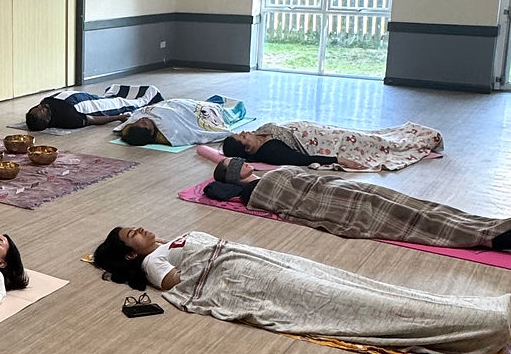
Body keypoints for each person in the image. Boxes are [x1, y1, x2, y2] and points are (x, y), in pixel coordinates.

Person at [92, 226, 511, 354]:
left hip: (258, 261)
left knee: (352, 285)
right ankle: (482, 324)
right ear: (131, 254)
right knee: (347, 301)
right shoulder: (153, 262)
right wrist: (201, 263)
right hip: (243, 278)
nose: (141, 229)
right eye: (133, 235)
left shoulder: (166, 244)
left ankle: (476, 311)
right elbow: (173, 284)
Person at [205, 158, 511, 250]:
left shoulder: (269, 173)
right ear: (232, 178)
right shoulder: (251, 193)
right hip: (331, 203)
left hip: (337, 188)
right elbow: (212, 189)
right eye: (234, 165)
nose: (242, 163)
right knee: (403, 216)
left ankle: (489, 225)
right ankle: (489, 237)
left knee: (412, 203)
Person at [221, 121, 443, 170]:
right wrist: (338, 159)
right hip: (327, 142)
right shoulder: (270, 152)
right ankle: (423, 140)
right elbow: (302, 159)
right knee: (371, 142)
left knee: (365, 134)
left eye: (241, 133)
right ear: (248, 149)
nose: (245, 132)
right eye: (243, 138)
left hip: (319, 130)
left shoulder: (259, 133)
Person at [115, 95, 245, 147]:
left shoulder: (135, 122)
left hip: (179, 105)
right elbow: (191, 131)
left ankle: (213, 102)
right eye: (144, 123)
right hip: (195, 113)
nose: (143, 119)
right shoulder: (169, 131)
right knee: (223, 110)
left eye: (138, 121)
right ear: (151, 131)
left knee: (208, 102)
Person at [24, 84, 163, 132]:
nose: (41, 106)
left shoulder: (45, 102)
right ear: (47, 119)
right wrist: (118, 117)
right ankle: (151, 97)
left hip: (82, 96)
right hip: (89, 105)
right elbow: (92, 119)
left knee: (111, 95)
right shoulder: (68, 119)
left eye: (37, 107)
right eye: (41, 110)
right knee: (127, 103)